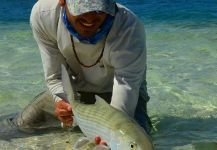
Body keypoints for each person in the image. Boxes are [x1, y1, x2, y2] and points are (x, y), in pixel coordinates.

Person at [28, 0, 152, 134]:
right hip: (73, 92)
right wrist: (62, 103)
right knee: (21, 125)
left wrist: (110, 134)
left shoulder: (129, 28)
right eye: (82, 9)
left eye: (99, 9)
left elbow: (125, 87)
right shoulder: (44, 16)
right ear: (63, 2)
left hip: (120, 93)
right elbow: (55, 77)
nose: (90, 18)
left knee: (137, 142)